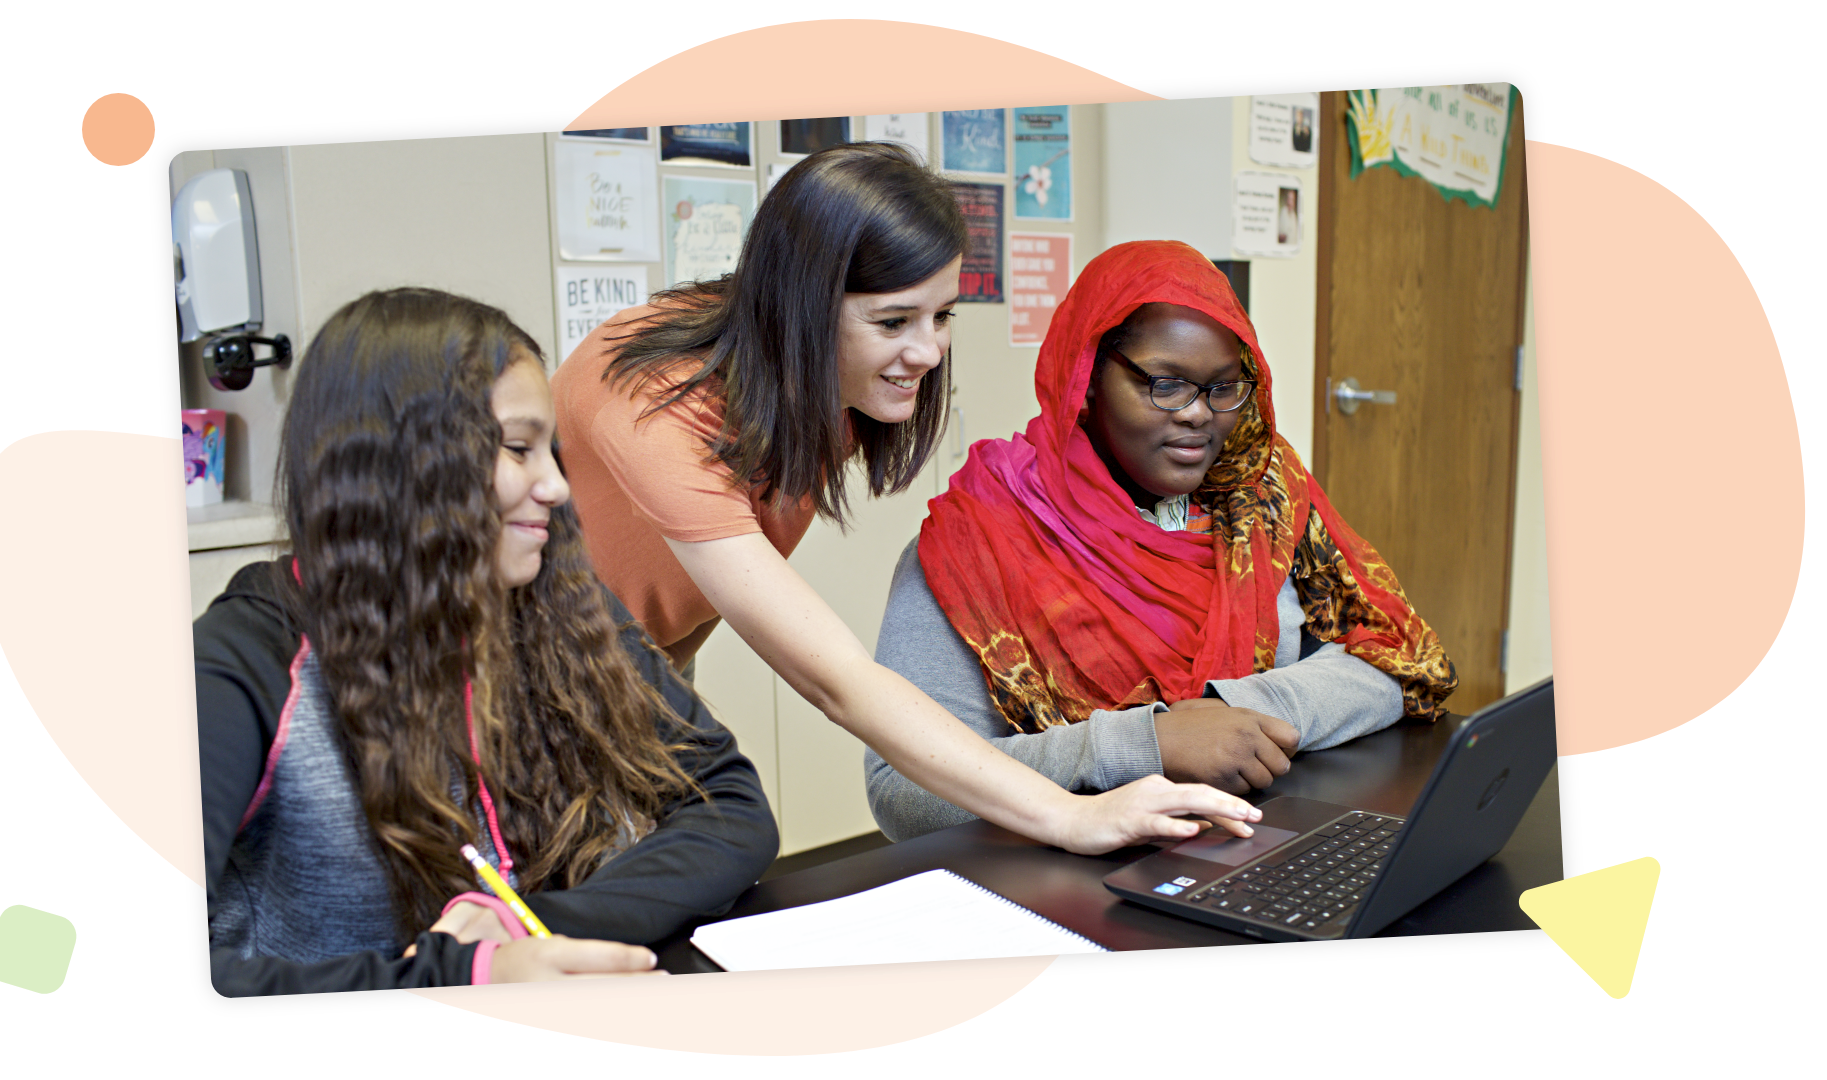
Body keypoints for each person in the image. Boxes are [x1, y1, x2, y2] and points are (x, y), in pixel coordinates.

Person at [552, 144, 1262, 856]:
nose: (927, 352)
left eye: (942, 315)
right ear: (802, 306)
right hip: (510, 673)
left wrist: (654, 694)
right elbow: (839, 682)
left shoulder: (821, 377)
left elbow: (681, 598)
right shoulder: (660, 408)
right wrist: (1070, 816)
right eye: (894, 323)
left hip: (630, 659)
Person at [196, 288, 778, 995]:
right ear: (404, 459)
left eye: (551, 451)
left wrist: (532, 928)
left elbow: (729, 803)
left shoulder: (557, 606)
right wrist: (456, 971)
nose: (557, 486)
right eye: (517, 449)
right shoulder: (249, 655)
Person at [867, 240, 1458, 841]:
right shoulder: (978, 545)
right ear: (1087, 376)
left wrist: (1230, 711)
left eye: (1224, 388)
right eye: (1167, 385)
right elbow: (906, 793)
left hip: (1246, 846)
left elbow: (1398, 659)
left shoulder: (1262, 501)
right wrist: (1145, 744)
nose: (1199, 415)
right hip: (1062, 880)